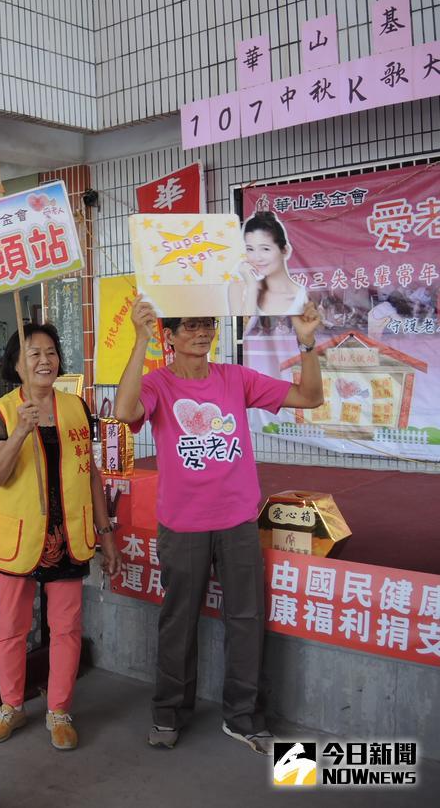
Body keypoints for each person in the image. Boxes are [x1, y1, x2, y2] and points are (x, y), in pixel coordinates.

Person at [114, 300, 323, 755]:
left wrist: (307, 342)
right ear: (169, 335)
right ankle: (169, 712)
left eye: (207, 322)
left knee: (246, 620)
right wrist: (139, 339)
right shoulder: (158, 383)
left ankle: (243, 717)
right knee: (178, 622)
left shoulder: (235, 378)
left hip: (238, 521)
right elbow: (125, 411)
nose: (202, 331)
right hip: (183, 524)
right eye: (189, 323)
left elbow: (309, 397)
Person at [0, 324, 120, 751]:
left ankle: (59, 709)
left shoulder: (76, 406)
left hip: (68, 533)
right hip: (18, 537)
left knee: (67, 628)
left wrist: (105, 531)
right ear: (16, 364)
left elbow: (89, 471)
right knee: (13, 629)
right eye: (33, 353)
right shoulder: (0, 412)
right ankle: (11, 706)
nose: (44, 360)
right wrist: (21, 430)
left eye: (51, 352)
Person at [232, 212, 307, 317]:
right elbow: (247, 328)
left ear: (285, 250)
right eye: (250, 249)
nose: (257, 258)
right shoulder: (240, 291)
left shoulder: (304, 297)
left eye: (265, 249)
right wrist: (252, 287)